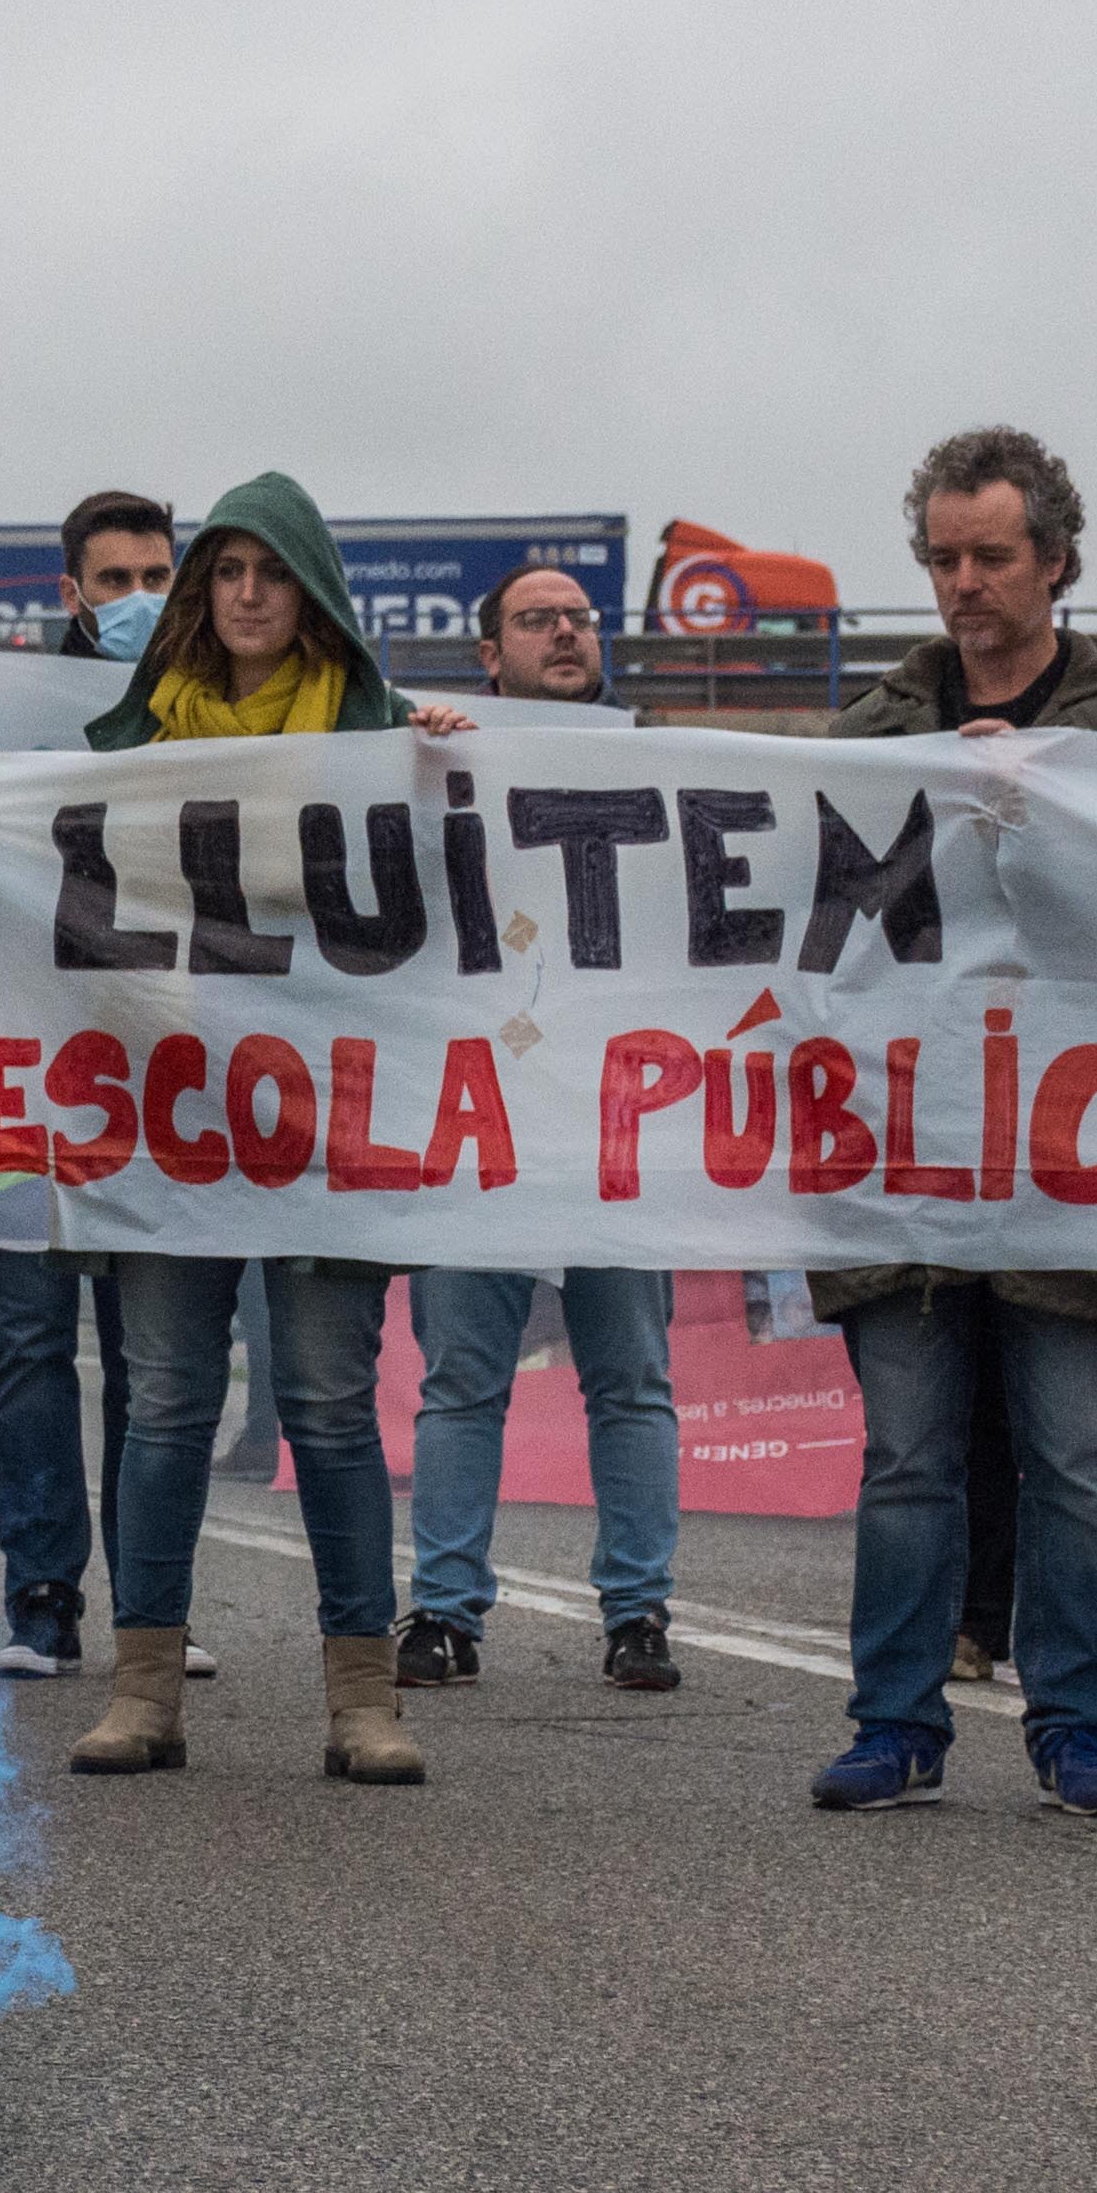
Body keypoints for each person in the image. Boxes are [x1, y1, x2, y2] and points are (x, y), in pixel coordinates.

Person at [0, 474, 476, 1784]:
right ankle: (145, 1692)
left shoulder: (382, 734)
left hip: (325, 1129)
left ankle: (361, 1702)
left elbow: (460, 894)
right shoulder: (134, 739)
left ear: (313, 588)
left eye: (272, 572)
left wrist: (451, 763)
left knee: (327, 1404)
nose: (248, 595)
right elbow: (25, 854)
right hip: (169, 1126)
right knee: (163, 1403)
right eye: (227, 574)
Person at [797, 426, 1097, 1819]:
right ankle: (895, 1719)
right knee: (908, 1460)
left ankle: (1077, 1723)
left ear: (1058, 560)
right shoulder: (874, 733)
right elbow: (820, 929)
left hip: (1071, 1156)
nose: (964, 582)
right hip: (906, 1153)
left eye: (992, 556)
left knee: (1077, 1453)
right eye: (943, 558)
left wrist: (1041, 808)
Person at [397, 560, 683, 1693]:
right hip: (488, 1108)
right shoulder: (439, 757)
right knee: (465, 1374)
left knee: (632, 1374)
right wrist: (422, 767)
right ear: (489, 651)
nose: (565, 631)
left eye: (578, 617)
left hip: (617, 1105)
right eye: (537, 619)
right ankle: (447, 1610)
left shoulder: (662, 761)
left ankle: (640, 1612)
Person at [0, 494, 175, 1683]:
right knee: (28, 1343)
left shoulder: (214, 705)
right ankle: (42, 1598)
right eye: (114, 578)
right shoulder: (1, 703)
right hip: (20, 1071)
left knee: (152, 1354)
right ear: (70, 592)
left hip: (158, 1081)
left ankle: (151, 1601)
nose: (139, 599)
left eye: (158, 573)